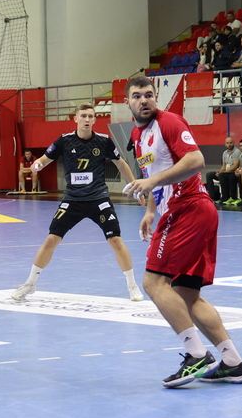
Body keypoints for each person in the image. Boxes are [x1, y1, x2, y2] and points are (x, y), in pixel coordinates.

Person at [123, 76, 242, 387]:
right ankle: (233, 362)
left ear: (156, 98)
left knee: (153, 282)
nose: (144, 100)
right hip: (190, 211)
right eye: (137, 96)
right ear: (127, 103)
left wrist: (152, 183)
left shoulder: (169, 122)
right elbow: (153, 174)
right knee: (186, 294)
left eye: (149, 95)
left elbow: (196, 160)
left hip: (187, 208)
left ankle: (196, 355)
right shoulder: (138, 135)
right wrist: (150, 210)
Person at [11, 103, 144, 302]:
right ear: (76, 119)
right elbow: (45, 159)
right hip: (72, 200)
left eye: (90, 116)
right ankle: (30, 283)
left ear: (95, 119)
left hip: (98, 199)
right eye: (83, 116)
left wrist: (134, 185)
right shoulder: (65, 141)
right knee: (51, 240)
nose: (87, 119)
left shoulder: (104, 141)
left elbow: (120, 163)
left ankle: (132, 286)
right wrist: (37, 164)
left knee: (116, 240)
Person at [206, 137, 242, 204]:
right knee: (209, 175)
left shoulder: (237, 152)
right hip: (225, 172)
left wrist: (223, 172)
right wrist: (219, 171)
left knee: (222, 175)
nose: (229, 144)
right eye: (227, 143)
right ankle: (212, 197)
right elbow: (224, 166)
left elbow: (235, 166)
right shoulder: (224, 153)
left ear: (233, 143)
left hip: (232, 172)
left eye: (231, 143)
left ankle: (225, 197)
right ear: (225, 144)